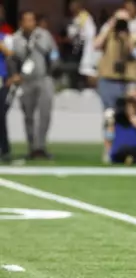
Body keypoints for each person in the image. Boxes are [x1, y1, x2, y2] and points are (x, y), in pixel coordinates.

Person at [94, 9, 136, 162]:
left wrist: (126, 36)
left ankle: (129, 149)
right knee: (110, 116)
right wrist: (110, 27)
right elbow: (96, 45)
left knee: (130, 115)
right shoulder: (108, 32)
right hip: (108, 78)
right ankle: (108, 150)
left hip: (127, 79)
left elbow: (133, 52)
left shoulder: (134, 34)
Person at [13, 10, 58, 160]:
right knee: (28, 115)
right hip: (25, 81)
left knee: (45, 114)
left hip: (44, 78)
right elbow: (13, 58)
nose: (30, 23)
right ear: (21, 22)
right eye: (26, 20)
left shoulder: (44, 35)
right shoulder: (16, 38)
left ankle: (41, 147)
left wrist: (53, 68)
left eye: (32, 20)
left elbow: (54, 53)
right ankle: (31, 147)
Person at [64, 0, 97, 90]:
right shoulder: (75, 18)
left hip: (83, 49)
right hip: (74, 49)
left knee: (83, 72)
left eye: (73, 4)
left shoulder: (84, 17)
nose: (71, 7)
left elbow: (88, 34)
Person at [0, 29, 15, 163]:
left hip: (1, 80)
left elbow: (10, 54)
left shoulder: (5, 38)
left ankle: (5, 149)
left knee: (1, 115)